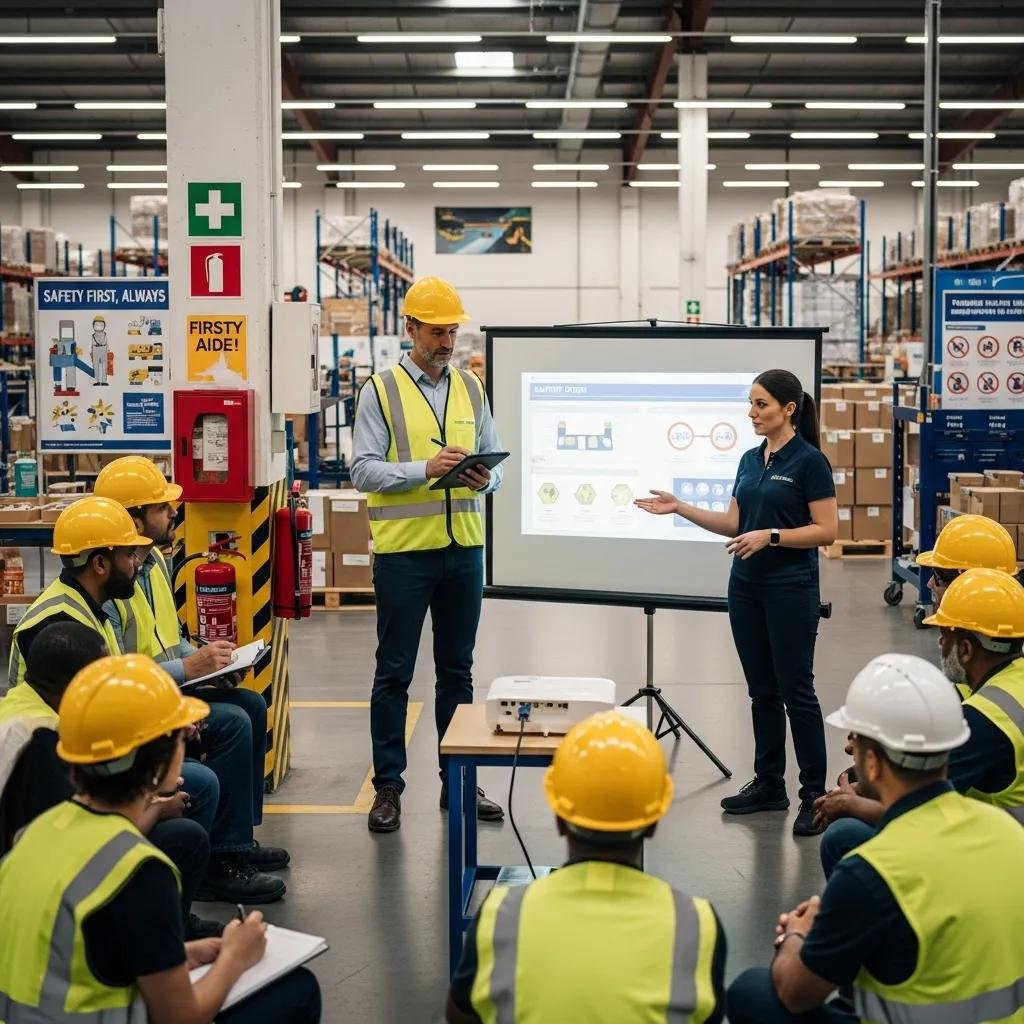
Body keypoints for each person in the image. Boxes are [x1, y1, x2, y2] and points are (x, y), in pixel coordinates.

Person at [0, 653, 321, 1024]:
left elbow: (76, 952)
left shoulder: (38, 831)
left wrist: (178, 954)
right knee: (296, 991)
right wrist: (237, 956)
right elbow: (181, 1018)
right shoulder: (140, 872)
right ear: (160, 762)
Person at [726, 652, 1024, 1024]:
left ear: (870, 763)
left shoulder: (872, 872)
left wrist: (797, 937)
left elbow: (795, 992)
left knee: (751, 991)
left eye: (856, 743)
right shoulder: (1009, 832)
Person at [636, 369, 838, 835]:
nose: (752, 413)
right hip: (745, 587)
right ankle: (770, 784)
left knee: (796, 692)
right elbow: (733, 523)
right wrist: (680, 507)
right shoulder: (750, 459)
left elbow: (826, 531)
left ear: (789, 409)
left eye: (761, 404)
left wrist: (771, 536)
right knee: (761, 691)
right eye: (750, 404)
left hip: (791, 588)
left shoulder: (810, 462)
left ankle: (815, 795)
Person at [94, 455, 290, 904]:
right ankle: (218, 863)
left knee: (251, 704)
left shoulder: (156, 564)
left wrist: (212, 660)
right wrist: (189, 669)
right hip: (137, 702)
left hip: (166, 685)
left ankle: (238, 840)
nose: (174, 513)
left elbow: (171, 639)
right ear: (133, 517)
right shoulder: (112, 585)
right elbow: (117, 676)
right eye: (162, 508)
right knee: (233, 723)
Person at [446, 711, 726, 1024]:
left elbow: (458, 1015)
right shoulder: (696, 925)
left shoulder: (501, 916)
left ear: (559, 819)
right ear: (653, 824)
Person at [351, 275, 505, 833]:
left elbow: (498, 471)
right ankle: (388, 786)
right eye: (437, 331)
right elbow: (363, 468)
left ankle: (457, 780)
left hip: (464, 550)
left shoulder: (471, 388)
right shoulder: (381, 390)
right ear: (410, 327)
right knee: (394, 674)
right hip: (405, 556)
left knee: (457, 673)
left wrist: (484, 480)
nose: (447, 341)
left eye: (453, 331)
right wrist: (425, 470)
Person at [0, 620, 221, 940]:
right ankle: (162, 939)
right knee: (185, 836)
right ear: (76, 685)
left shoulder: (22, 705)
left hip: (36, 860)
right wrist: (158, 806)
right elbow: (84, 847)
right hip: (37, 887)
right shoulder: (44, 743)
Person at [815, 568, 1024, 876]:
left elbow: (918, 809)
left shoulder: (986, 719)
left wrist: (851, 802)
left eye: (945, 636)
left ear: (966, 649)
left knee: (843, 836)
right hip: (1002, 839)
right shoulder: (1011, 683)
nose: (940, 645)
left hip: (1000, 858)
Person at [6, 495, 150, 688]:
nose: (137, 562)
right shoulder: (60, 627)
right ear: (99, 563)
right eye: (130, 554)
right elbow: (82, 713)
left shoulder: (86, 607)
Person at [91, 314, 109, 385]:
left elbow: (107, 343)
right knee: (96, 365)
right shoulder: (93, 335)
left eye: (100, 324)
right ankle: (97, 381)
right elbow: (92, 344)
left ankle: (104, 381)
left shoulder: (105, 334)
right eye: (97, 324)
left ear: (104, 325)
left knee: (104, 365)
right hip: (95, 349)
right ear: (94, 325)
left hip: (103, 348)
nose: (98, 326)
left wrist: (108, 350)